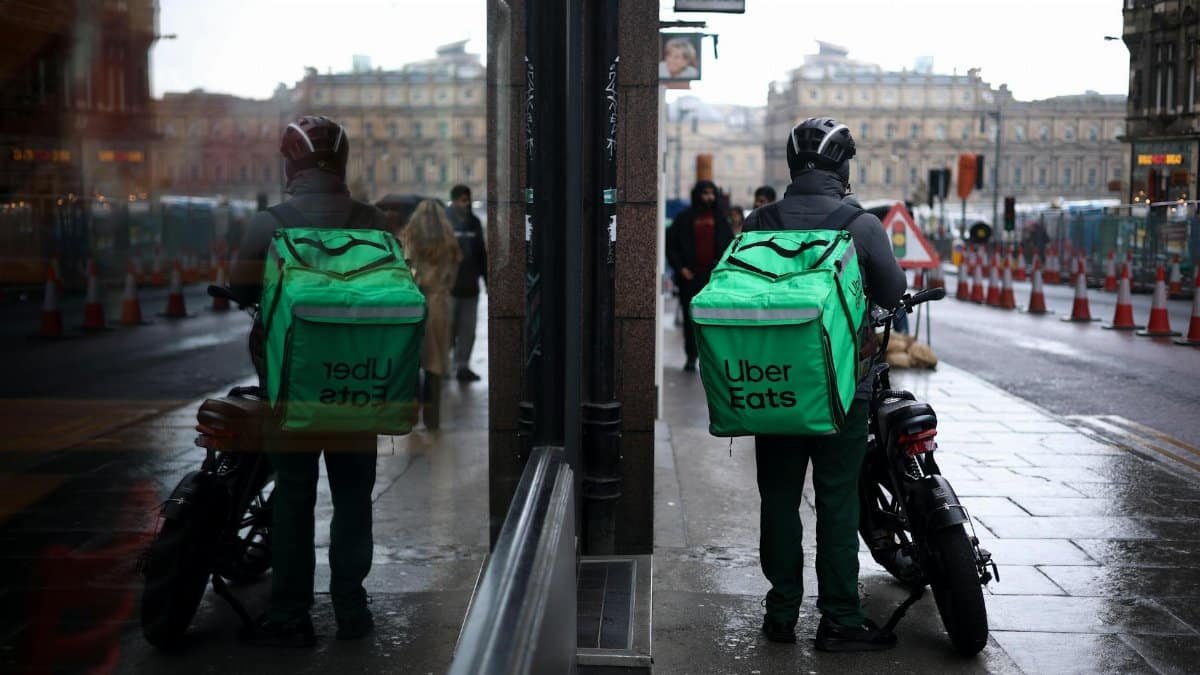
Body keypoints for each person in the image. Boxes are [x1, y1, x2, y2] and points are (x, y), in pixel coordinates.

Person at [742, 117, 906, 651]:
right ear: (843, 167)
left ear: (792, 167)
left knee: (779, 499)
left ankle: (781, 614)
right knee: (838, 501)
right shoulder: (859, 224)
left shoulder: (757, 221)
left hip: (775, 386)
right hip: (842, 391)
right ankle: (839, 618)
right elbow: (891, 291)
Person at [231, 115, 385, 646]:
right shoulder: (374, 221)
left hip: (291, 388)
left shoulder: (268, 222)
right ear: (342, 164)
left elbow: (240, 285)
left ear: (289, 164)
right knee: (353, 496)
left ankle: (290, 611)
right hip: (357, 383)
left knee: (294, 496)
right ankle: (351, 606)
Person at [401, 199, 462, 430]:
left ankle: (412, 409)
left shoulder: (409, 235)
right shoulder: (448, 240)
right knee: (435, 362)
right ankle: (432, 417)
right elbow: (455, 270)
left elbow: (403, 267)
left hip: (412, 302)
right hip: (438, 303)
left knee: (412, 359)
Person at [665, 180, 734, 372]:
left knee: (715, 320)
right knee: (690, 320)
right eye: (705, 193)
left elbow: (729, 247)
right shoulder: (685, 218)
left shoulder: (720, 219)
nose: (709, 197)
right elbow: (671, 245)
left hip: (714, 279)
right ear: (698, 195)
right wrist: (681, 269)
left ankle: (712, 359)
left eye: (712, 193)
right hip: (691, 277)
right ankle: (691, 356)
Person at [448, 185, 487, 383]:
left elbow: (481, 254)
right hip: (450, 286)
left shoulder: (474, 223)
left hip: (470, 286)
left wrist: (487, 280)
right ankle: (446, 367)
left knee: (467, 330)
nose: (466, 204)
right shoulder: (446, 222)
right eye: (462, 200)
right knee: (449, 328)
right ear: (454, 201)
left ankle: (463, 366)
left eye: (468, 200)